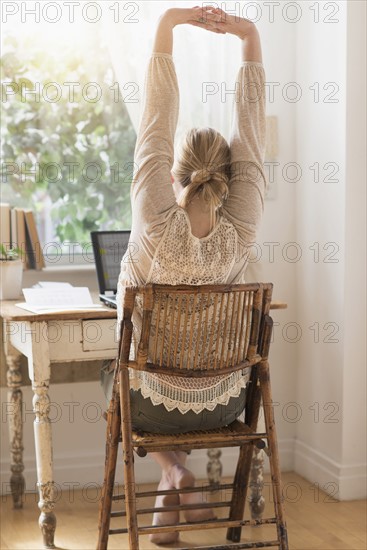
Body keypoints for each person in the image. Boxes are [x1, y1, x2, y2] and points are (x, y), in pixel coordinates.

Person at [108, 5, 266, 544]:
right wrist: (250, 37)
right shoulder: (241, 228)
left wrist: (170, 20)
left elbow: (156, 114)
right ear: (230, 179)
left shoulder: (153, 217)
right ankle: (172, 504)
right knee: (182, 370)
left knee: (126, 376)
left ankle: (174, 470)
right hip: (225, 401)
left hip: (152, 405)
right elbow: (251, 132)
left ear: (177, 174)